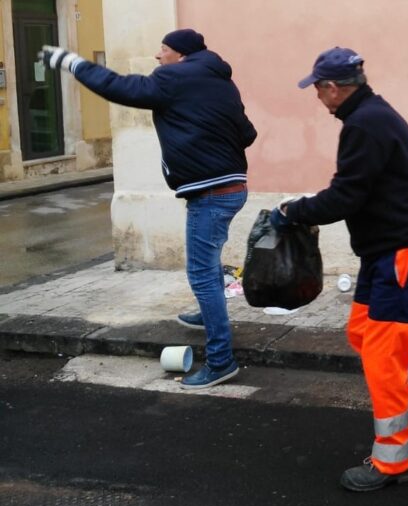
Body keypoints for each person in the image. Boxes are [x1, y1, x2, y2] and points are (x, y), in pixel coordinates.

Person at [271, 46, 408, 492]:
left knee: (381, 354)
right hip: (389, 252)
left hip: (401, 255)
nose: (316, 97)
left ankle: (395, 459)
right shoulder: (370, 116)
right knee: (362, 332)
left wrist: (292, 211)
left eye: (317, 89)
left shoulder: (364, 125)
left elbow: (345, 196)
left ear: (334, 88)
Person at [40, 30, 256, 390]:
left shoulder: (174, 78)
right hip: (233, 188)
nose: (158, 56)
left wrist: (73, 63)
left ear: (182, 55)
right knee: (210, 259)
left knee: (202, 274)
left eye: (164, 50)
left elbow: (122, 87)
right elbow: (247, 134)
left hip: (211, 193)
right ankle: (207, 315)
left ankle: (221, 361)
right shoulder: (221, 81)